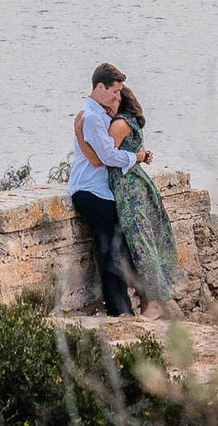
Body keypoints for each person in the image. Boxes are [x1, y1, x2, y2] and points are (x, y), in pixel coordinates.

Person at [89, 81, 181, 316]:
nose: (111, 101)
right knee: (141, 243)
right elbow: (129, 153)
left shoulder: (119, 124)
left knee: (141, 245)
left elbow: (105, 157)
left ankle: (153, 303)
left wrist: (80, 136)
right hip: (133, 186)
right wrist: (139, 155)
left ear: (122, 100)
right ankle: (151, 302)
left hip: (129, 190)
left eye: (116, 97)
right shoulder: (128, 122)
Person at [68, 63, 147, 316]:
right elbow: (107, 156)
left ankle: (121, 307)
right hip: (91, 191)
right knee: (110, 248)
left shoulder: (100, 115)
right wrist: (136, 156)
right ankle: (119, 311)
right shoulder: (91, 117)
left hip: (101, 191)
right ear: (100, 87)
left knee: (113, 247)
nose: (118, 96)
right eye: (115, 91)